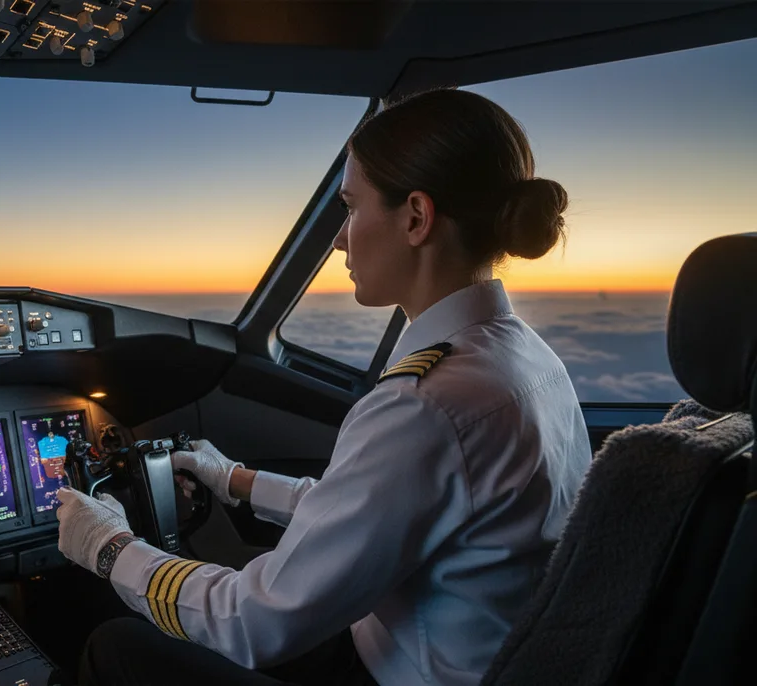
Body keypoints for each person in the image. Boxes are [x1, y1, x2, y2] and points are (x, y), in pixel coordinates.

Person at [54, 88, 593, 686]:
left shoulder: (426, 404)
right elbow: (374, 510)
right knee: (254, 568)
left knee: (117, 647)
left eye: (351, 207)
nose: (339, 238)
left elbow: (252, 624)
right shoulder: (523, 356)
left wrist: (107, 547)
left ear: (416, 217)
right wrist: (235, 479)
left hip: (395, 672)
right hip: (447, 652)